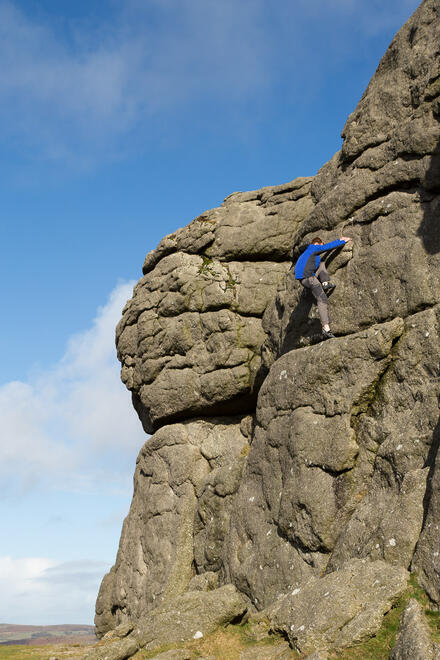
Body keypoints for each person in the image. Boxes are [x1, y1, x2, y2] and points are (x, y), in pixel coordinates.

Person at [294, 236, 351, 339]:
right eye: (321, 246)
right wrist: (342, 240)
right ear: (317, 244)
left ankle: (325, 283)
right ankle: (326, 328)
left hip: (303, 279)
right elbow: (329, 247)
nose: (321, 248)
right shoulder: (313, 248)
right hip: (309, 278)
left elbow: (320, 260)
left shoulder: (306, 252)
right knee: (322, 299)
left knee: (321, 262)